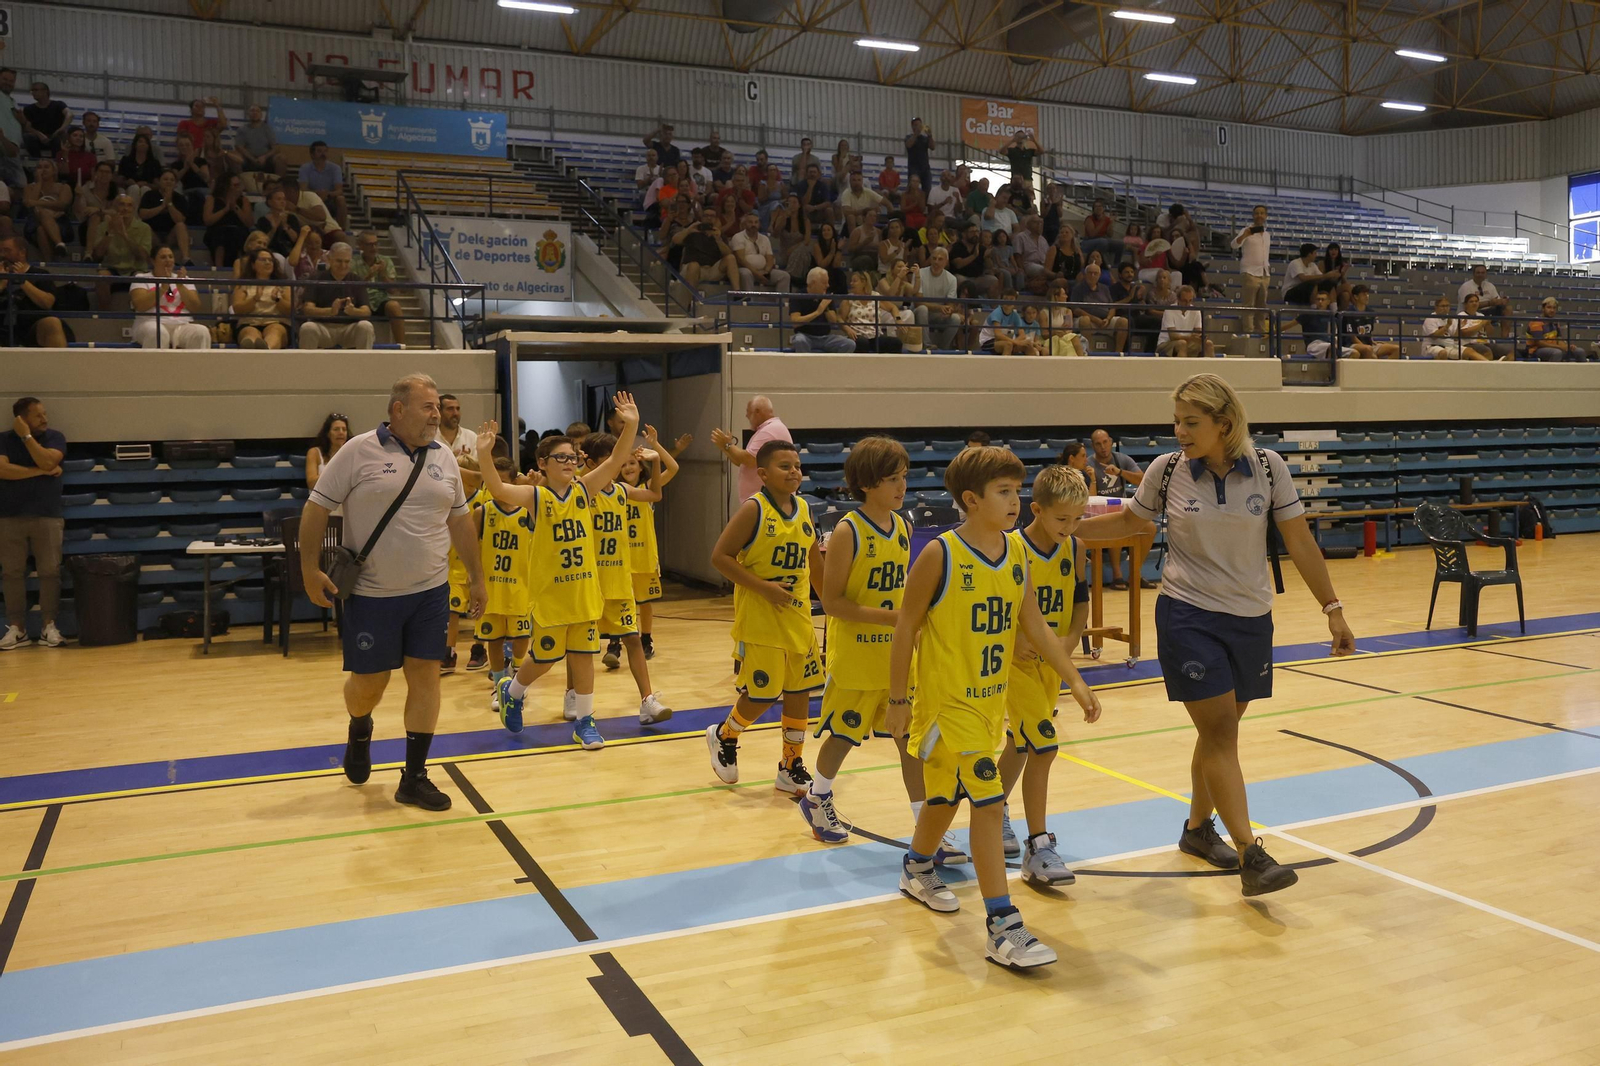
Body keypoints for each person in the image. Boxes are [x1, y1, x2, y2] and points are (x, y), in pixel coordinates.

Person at [1075, 373, 1355, 896]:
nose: (1179, 431)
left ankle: (1197, 830)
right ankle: (1251, 852)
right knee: (1222, 732)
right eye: (1177, 421)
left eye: (1191, 422)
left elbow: (1299, 540)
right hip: (1187, 616)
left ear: (1223, 424)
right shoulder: (1167, 470)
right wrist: (1064, 528)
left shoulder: (1269, 468)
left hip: (1250, 620)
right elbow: (1130, 523)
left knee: (1217, 734)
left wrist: (1332, 609)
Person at [886, 445, 1099, 969]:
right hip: (945, 706)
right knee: (986, 798)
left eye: (1016, 490)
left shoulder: (1016, 554)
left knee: (945, 799)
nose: (1014, 500)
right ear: (971, 499)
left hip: (988, 704)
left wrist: (1074, 679)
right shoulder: (940, 554)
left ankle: (916, 866)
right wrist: (897, 700)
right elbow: (905, 628)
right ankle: (1003, 926)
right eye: (1003, 491)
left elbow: (1036, 625)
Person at [302, 374, 487, 812]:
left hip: (430, 592)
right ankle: (360, 725)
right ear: (398, 410)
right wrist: (309, 569)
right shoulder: (358, 450)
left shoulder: (443, 456)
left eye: (438, 407)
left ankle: (414, 777)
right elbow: (316, 507)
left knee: (425, 675)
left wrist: (477, 577)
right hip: (372, 595)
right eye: (428, 407)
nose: (437, 414)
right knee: (370, 684)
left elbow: (460, 520)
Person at [799, 436, 968, 860]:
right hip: (856, 655)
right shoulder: (848, 530)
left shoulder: (904, 527)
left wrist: (913, 622)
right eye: (893, 479)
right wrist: (894, 618)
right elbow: (832, 603)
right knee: (843, 734)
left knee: (908, 739)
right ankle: (817, 796)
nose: (902, 486)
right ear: (867, 483)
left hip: (894, 654)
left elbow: (902, 593)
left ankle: (925, 827)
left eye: (904, 476)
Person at [477, 392, 641, 749]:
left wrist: (631, 425)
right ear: (543, 462)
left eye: (572, 457)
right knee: (546, 657)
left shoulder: (584, 489)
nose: (569, 462)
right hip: (551, 596)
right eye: (560, 457)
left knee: (584, 657)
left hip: (584, 592)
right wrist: (484, 454)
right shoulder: (537, 497)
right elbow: (496, 487)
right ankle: (513, 691)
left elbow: (616, 460)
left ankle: (585, 721)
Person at [705, 438, 824, 793]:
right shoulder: (754, 509)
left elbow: (814, 563)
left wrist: (830, 601)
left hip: (798, 615)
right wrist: (764, 587)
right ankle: (725, 735)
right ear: (763, 473)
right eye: (784, 466)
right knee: (762, 693)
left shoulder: (804, 509)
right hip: (761, 615)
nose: (794, 472)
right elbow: (720, 557)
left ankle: (790, 765)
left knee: (800, 690)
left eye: (797, 466)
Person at [995, 465, 1094, 878]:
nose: (1069, 528)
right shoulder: (1011, 548)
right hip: (1015, 665)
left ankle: (993, 808)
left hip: (1052, 662)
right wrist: (1014, 638)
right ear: (1036, 509)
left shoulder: (1075, 548)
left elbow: (1081, 600)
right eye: (1062, 519)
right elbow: (1001, 606)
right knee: (1043, 746)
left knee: (1021, 744)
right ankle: (1038, 846)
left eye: (1077, 519)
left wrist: (1070, 641)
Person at [577, 430, 671, 725]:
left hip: (619, 579)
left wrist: (655, 462)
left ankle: (647, 700)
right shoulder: (582, 490)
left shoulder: (621, 491)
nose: (616, 464)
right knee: (578, 647)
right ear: (591, 463)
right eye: (609, 458)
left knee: (632, 638)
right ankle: (571, 694)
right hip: (589, 581)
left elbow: (655, 494)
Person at [0, 397, 67, 651]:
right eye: (38, 415)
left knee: (50, 571)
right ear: (21, 418)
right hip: (9, 516)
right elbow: (2, 470)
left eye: (44, 414)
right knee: (12, 573)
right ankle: (17, 628)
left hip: (47, 515)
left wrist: (27, 438)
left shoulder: (55, 437)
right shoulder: (3, 439)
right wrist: (40, 471)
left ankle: (49, 625)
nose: (45, 419)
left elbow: (49, 461)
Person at [613, 424, 678, 665]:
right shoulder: (615, 491)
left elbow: (674, 467)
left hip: (643, 556)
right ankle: (614, 641)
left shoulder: (648, 488)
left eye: (632, 463)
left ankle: (646, 638)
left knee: (644, 602)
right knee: (618, 600)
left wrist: (655, 446)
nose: (628, 467)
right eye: (623, 464)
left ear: (640, 466)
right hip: (619, 557)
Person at [448, 450, 512, 680]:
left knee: (482, 609)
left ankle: (479, 648)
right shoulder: (448, 498)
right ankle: (449, 651)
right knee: (452, 609)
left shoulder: (485, 496)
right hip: (453, 564)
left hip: (485, 564)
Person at [710, 396, 790, 501]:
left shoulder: (769, 430)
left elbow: (749, 459)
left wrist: (727, 445)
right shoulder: (769, 428)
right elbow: (740, 462)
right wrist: (725, 447)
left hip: (767, 501)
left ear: (757, 411)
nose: (746, 415)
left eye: (748, 411)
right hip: (762, 500)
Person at [131, 245, 211, 349]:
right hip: (150, 322)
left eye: (170, 257)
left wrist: (180, 285)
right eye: (163, 257)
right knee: (158, 333)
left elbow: (195, 307)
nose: (168, 260)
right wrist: (163, 288)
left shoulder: (184, 279)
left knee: (201, 332)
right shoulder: (141, 278)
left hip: (181, 324)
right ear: (153, 261)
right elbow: (140, 306)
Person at [300, 243, 376, 349]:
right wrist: (330, 311)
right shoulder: (316, 278)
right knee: (307, 327)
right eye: (339, 261)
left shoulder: (357, 280)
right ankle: (306, 360)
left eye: (347, 261)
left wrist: (353, 311)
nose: (343, 265)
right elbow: (307, 309)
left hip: (349, 328)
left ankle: (364, 360)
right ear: (329, 260)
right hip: (323, 327)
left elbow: (366, 311)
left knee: (366, 326)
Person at [0, 237, 67, 348]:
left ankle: (58, 360)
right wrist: (1, 285)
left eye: (7, 250)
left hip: (31, 327)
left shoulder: (40, 274)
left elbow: (47, 303)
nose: (2, 255)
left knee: (52, 323)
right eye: (0, 251)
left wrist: (23, 281)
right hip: (2, 328)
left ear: (22, 252)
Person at [231, 247, 292, 349]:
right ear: (253, 265)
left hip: (277, 322)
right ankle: (251, 347)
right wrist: (255, 299)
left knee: (275, 331)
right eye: (263, 260)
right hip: (249, 323)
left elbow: (290, 310)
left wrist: (277, 300)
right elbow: (237, 309)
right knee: (250, 333)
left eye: (270, 260)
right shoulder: (243, 284)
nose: (268, 263)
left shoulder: (283, 285)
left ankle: (266, 348)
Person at [356, 231, 408, 346]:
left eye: (376, 244)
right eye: (370, 244)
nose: (374, 248)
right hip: (360, 299)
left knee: (394, 306)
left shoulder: (386, 261)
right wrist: (369, 276)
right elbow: (353, 288)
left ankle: (402, 346)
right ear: (361, 245)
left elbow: (393, 290)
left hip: (379, 299)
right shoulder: (352, 262)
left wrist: (383, 274)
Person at [788, 267, 853, 352]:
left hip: (825, 337)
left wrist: (826, 307)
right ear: (813, 283)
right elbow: (795, 322)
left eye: (827, 282)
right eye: (824, 283)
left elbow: (833, 321)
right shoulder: (798, 296)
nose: (827, 285)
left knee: (849, 344)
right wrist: (818, 312)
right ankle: (804, 361)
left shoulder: (827, 297)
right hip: (805, 336)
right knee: (800, 341)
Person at [836, 269, 901, 353]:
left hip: (875, 335)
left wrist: (898, 319)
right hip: (857, 335)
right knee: (863, 343)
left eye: (854, 281)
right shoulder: (848, 299)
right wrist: (847, 329)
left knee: (896, 343)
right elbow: (839, 318)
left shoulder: (875, 296)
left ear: (864, 282)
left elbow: (893, 308)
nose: (851, 283)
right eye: (851, 281)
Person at [1071, 261, 1129, 354]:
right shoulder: (1078, 289)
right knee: (1084, 320)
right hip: (1089, 320)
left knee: (1123, 322)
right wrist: (1094, 319)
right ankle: (1088, 352)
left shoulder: (1105, 288)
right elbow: (1076, 309)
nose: (1092, 275)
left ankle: (1118, 353)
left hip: (1104, 320)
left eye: (1095, 273)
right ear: (1085, 275)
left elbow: (1112, 307)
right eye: (1090, 273)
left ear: (1099, 275)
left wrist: (1108, 319)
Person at [202, 172, 255, 270]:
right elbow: (207, 220)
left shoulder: (244, 200)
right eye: (235, 185)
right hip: (217, 229)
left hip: (238, 229)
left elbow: (249, 223)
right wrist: (224, 210)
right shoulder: (212, 199)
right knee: (220, 235)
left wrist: (235, 207)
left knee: (239, 234)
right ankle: (219, 267)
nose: (238, 188)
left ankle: (241, 267)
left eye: (239, 185)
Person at [138, 169, 192, 265]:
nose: (168, 182)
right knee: (145, 227)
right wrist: (161, 207)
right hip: (153, 234)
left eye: (172, 180)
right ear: (159, 181)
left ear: (175, 184)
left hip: (170, 235)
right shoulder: (149, 195)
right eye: (165, 179)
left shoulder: (180, 198)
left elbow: (180, 219)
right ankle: (146, 261)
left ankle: (186, 259)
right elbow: (142, 214)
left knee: (180, 226)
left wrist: (169, 203)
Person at [22, 157, 72, 260]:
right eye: (39, 167)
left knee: (41, 228)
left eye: (46, 167)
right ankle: (59, 244)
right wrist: (39, 183)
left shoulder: (63, 187)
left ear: (54, 171)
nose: (43, 170)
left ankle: (49, 261)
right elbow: (29, 204)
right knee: (41, 220)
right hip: (34, 221)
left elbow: (63, 204)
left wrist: (37, 203)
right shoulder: (29, 188)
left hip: (59, 221)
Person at [1231, 205, 1271, 334]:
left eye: (1262, 213)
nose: (1259, 215)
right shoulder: (1246, 230)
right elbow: (1234, 245)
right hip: (1250, 272)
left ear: (1266, 216)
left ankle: (1261, 331)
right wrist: (1244, 236)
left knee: (1262, 305)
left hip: (1264, 273)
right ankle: (1249, 332)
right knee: (1249, 305)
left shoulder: (1267, 235)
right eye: (1257, 213)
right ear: (1253, 216)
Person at [730, 210, 790, 292]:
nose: (753, 225)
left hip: (763, 271)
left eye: (756, 222)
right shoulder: (738, 237)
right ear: (744, 224)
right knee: (745, 274)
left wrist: (766, 272)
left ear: (759, 224)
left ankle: (782, 300)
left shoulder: (765, 238)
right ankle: (748, 299)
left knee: (784, 276)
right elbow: (741, 260)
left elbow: (770, 258)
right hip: (746, 269)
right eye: (750, 222)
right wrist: (756, 273)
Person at [916, 246, 963, 349]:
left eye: (940, 259)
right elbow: (918, 302)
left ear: (946, 262)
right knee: (922, 309)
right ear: (930, 259)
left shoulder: (952, 279)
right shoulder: (920, 273)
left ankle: (942, 349)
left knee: (956, 318)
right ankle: (927, 345)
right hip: (919, 313)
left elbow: (951, 303)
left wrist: (949, 310)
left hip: (938, 315)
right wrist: (939, 307)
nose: (936, 262)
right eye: (934, 258)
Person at [1524, 297, 1592, 362]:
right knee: (1557, 353)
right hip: (1536, 350)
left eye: (1554, 308)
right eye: (1549, 307)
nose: (1552, 310)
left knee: (1579, 351)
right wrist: (1559, 347)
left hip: (1554, 348)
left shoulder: (1555, 323)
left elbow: (1559, 339)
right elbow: (1539, 343)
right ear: (1543, 309)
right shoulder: (1536, 322)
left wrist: (1567, 346)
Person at [298, 140, 348, 229]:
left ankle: (341, 229)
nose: (323, 154)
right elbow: (303, 189)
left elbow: (339, 190)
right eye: (319, 151)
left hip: (329, 198)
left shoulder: (335, 168)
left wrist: (327, 194)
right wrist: (317, 194)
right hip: (311, 198)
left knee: (341, 199)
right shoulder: (305, 168)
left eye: (325, 151)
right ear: (312, 154)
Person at [1341, 284, 1400, 359]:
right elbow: (1352, 337)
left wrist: (1373, 342)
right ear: (1356, 297)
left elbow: (1368, 332)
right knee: (1368, 350)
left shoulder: (1370, 312)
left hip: (1368, 344)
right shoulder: (1349, 313)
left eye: (1367, 294)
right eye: (1363, 294)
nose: (1367, 296)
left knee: (1396, 348)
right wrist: (1366, 346)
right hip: (1352, 344)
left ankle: (1386, 367)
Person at [1158, 284, 1212, 358]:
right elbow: (1173, 336)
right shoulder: (1169, 310)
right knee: (1182, 344)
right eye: (1184, 301)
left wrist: (1201, 337)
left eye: (1190, 301)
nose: (1187, 304)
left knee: (1208, 344)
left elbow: (1198, 331)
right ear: (1178, 299)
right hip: (1167, 343)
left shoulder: (1196, 311)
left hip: (1188, 341)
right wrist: (1190, 337)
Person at [19, 81, 70, 158]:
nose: (33, 93)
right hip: (37, 139)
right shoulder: (29, 109)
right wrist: (39, 134)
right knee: (27, 137)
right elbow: (27, 127)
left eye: (36, 90)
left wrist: (61, 129)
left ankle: (57, 161)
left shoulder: (58, 105)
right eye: (32, 91)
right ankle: (37, 160)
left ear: (45, 91)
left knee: (58, 139)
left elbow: (70, 115)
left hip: (55, 138)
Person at [232, 104, 284, 179]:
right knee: (233, 157)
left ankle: (279, 182)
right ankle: (240, 182)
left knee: (281, 158)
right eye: (252, 111)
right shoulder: (242, 130)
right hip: (247, 159)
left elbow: (275, 147)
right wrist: (252, 159)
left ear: (261, 115)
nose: (255, 113)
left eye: (257, 111)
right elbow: (239, 147)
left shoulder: (268, 129)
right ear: (248, 114)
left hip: (266, 160)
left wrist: (264, 157)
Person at [73, 160, 118, 246]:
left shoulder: (118, 191)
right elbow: (81, 212)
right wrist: (78, 197)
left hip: (111, 225)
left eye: (107, 172)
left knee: (106, 218)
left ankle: (89, 251)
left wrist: (98, 210)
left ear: (112, 175)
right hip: (88, 225)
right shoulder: (85, 189)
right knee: (95, 218)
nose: (104, 174)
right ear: (95, 173)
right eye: (101, 171)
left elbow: (118, 211)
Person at [305, 412, 350, 490]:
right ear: (328, 433)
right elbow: (311, 484)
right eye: (336, 429)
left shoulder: (351, 452)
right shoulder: (314, 452)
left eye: (344, 429)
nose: (341, 433)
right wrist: (335, 471)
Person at [116, 133, 163, 198]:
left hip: (148, 189)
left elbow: (157, 185)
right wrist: (127, 182)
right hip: (129, 189)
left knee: (145, 189)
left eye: (145, 142)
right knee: (134, 188)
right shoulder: (126, 161)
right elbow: (119, 181)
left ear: (148, 146)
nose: (143, 144)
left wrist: (147, 184)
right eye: (140, 142)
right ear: (135, 145)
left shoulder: (154, 163)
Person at [1420, 295, 1464, 360]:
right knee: (1443, 353)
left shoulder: (1452, 319)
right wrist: (1447, 325)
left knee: (1467, 352)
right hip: (1432, 346)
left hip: (1449, 346)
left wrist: (1459, 327)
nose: (1445, 308)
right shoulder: (1430, 319)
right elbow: (1434, 336)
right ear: (1436, 307)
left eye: (1447, 306)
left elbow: (1455, 338)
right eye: (1443, 306)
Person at [904, 117, 934, 194]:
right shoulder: (908, 137)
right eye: (916, 125)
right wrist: (916, 134)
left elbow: (932, 147)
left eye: (920, 125)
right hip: (914, 168)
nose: (918, 127)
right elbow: (908, 145)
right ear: (913, 126)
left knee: (927, 190)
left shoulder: (924, 138)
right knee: (912, 189)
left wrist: (930, 136)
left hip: (925, 168)